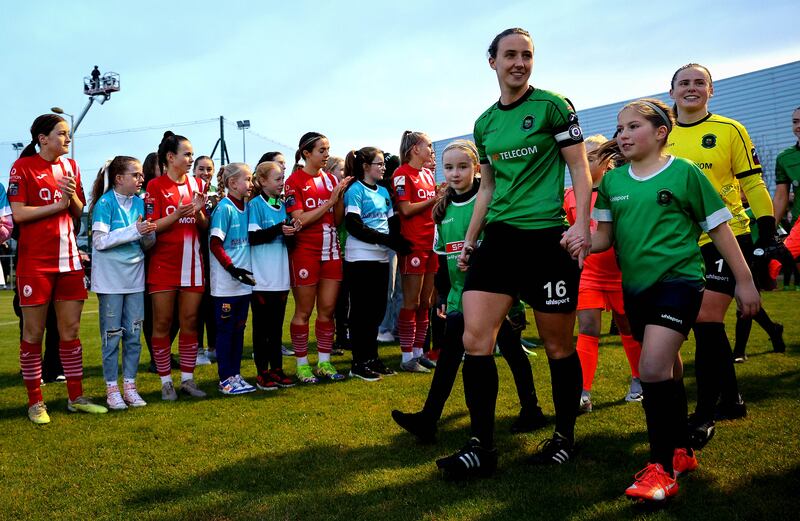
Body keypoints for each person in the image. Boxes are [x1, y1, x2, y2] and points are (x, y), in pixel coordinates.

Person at [576, 98, 759, 502]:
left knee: (651, 367)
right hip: (635, 289)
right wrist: (580, 239)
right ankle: (682, 450)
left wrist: (745, 281)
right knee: (668, 368)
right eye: (620, 128)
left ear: (661, 133)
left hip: (680, 282)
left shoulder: (685, 172)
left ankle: (660, 470)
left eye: (633, 127)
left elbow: (720, 230)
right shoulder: (612, 183)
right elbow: (604, 238)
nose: (623, 135)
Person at [436, 28, 591, 478]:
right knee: (475, 340)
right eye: (510, 55)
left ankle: (564, 437)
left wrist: (581, 224)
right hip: (499, 239)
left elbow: (579, 167)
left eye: (526, 55)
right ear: (493, 62)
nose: (519, 63)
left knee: (558, 345)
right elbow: (487, 187)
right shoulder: (484, 123)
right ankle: (481, 447)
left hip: (547, 240)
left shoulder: (553, 105)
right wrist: (471, 240)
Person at [394, 140, 546, 443]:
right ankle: (428, 419)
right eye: (449, 167)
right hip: (459, 296)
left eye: (462, 167)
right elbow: (442, 257)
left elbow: (507, 248)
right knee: (449, 356)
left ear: (477, 167)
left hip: (495, 294)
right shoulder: (443, 208)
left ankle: (531, 409)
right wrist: (443, 294)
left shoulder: (492, 201)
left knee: (512, 351)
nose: (455, 173)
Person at [667, 63, 777, 446]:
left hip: (727, 236)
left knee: (706, 317)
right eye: (684, 83)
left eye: (700, 82)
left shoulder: (730, 130)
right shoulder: (661, 133)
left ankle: (703, 415)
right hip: (679, 243)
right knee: (705, 325)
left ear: (711, 91)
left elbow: (753, 183)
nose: (692, 88)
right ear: (671, 92)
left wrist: (767, 232)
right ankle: (731, 399)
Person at [9, 114, 108, 424]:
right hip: (35, 264)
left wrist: (72, 196)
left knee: (71, 331)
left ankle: (75, 398)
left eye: (68, 133)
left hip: (69, 262)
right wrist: (57, 205)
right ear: (43, 138)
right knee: (33, 332)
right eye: (62, 133)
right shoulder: (22, 167)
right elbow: (18, 214)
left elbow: (78, 210)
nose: (68, 138)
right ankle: (35, 403)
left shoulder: (71, 167)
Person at [564, 135, 643, 411]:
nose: (585, 162)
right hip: (588, 274)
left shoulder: (621, 188)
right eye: (581, 158)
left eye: (591, 157)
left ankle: (639, 380)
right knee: (587, 329)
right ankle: (583, 392)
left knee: (628, 328)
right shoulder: (570, 195)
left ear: (607, 161)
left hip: (622, 274)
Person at [145, 131, 208, 401]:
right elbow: (151, 226)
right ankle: (165, 381)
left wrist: (199, 212)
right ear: (171, 157)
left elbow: (203, 226)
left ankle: (188, 379)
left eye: (192, 154)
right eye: (187, 154)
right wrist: (177, 214)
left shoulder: (197, 184)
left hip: (193, 264)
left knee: (190, 322)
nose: (191, 159)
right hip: (164, 264)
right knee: (162, 322)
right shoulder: (155, 186)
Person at [284, 132, 352, 383]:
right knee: (303, 311)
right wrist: (329, 201)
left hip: (331, 251)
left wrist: (340, 198)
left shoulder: (331, 179)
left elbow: (337, 219)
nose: (326, 155)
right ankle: (302, 365)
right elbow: (299, 220)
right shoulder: (293, 181)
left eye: (328, 150)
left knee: (328, 310)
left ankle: (324, 362)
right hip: (305, 252)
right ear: (306, 153)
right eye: (321, 150)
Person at [89, 156, 155, 409]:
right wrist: (135, 231)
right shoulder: (104, 204)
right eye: (135, 175)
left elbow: (146, 243)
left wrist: (148, 234)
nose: (141, 179)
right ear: (119, 178)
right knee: (112, 337)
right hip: (110, 282)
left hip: (135, 280)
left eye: (141, 175)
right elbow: (99, 241)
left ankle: (130, 387)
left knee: (134, 336)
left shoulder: (141, 203)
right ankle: (111, 390)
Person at [342, 147, 411, 380]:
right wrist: (385, 240)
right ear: (365, 167)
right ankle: (358, 362)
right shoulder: (355, 190)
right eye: (379, 163)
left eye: (383, 164)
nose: (383, 167)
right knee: (361, 312)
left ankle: (372, 358)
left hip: (381, 257)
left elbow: (392, 224)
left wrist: (398, 241)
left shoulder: (383, 191)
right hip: (360, 257)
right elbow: (354, 225)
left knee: (377, 311)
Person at [392, 130, 444, 372]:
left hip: (431, 243)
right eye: (428, 145)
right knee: (411, 302)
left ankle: (418, 353)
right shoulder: (401, 174)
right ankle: (406, 357)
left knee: (426, 302)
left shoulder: (426, 174)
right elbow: (405, 209)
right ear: (415, 149)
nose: (431, 150)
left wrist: (441, 197)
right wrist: (435, 199)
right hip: (413, 244)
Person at [248, 161, 299, 390]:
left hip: (281, 278)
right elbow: (254, 237)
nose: (281, 183)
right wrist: (279, 229)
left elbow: (291, 244)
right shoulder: (255, 205)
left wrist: (291, 233)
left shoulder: (283, 205)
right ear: (262, 181)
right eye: (277, 179)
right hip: (261, 279)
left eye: (282, 179)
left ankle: (277, 370)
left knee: (276, 329)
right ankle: (262, 373)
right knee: (262, 329)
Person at [209, 163, 257, 395]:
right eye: (247, 179)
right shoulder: (224, 208)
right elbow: (215, 244)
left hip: (243, 283)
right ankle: (225, 379)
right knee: (226, 331)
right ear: (232, 183)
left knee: (239, 330)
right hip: (226, 284)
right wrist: (232, 268)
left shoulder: (247, 206)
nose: (251, 183)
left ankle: (235, 375)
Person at [192, 155, 217, 366]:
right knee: (197, 305)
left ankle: (213, 347)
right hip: (194, 252)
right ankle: (197, 349)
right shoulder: (189, 191)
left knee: (212, 302)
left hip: (214, 255)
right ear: (194, 171)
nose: (205, 173)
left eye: (209, 169)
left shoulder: (217, 194)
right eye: (201, 168)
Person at [328, 155, 350, 355]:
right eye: (340, 169)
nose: (344, 174)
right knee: (335, 301)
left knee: (345, 300)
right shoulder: (330, 194)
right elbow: (337, 220)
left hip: (346, 251)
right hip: (334, 251)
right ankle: (336, 338)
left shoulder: (347, 191)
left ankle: (343, 336)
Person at [773, 107, 800, 228]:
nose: (798, 126)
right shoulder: (784, 158)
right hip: (797, 226)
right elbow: (781, 197)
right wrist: (770, 230)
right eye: (795, 122)